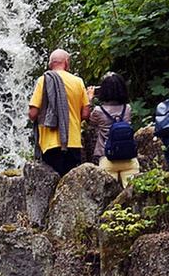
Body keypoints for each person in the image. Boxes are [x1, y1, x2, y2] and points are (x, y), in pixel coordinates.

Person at [27, 49, 90, 177]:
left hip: (50, 144)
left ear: (50, 65)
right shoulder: (78, 81)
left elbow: (33, 114)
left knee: (52, 187)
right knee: (70, 187)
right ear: (66, 62)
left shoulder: (43, 81)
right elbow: (85, 114)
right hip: (72, 142)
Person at [88, 72, 138, 187]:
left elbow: (89, 121)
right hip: (128, 158)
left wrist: (89, 100)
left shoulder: (98, 111)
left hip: (107, 158)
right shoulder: (127, 109)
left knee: (109, 199)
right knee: (133, 194)